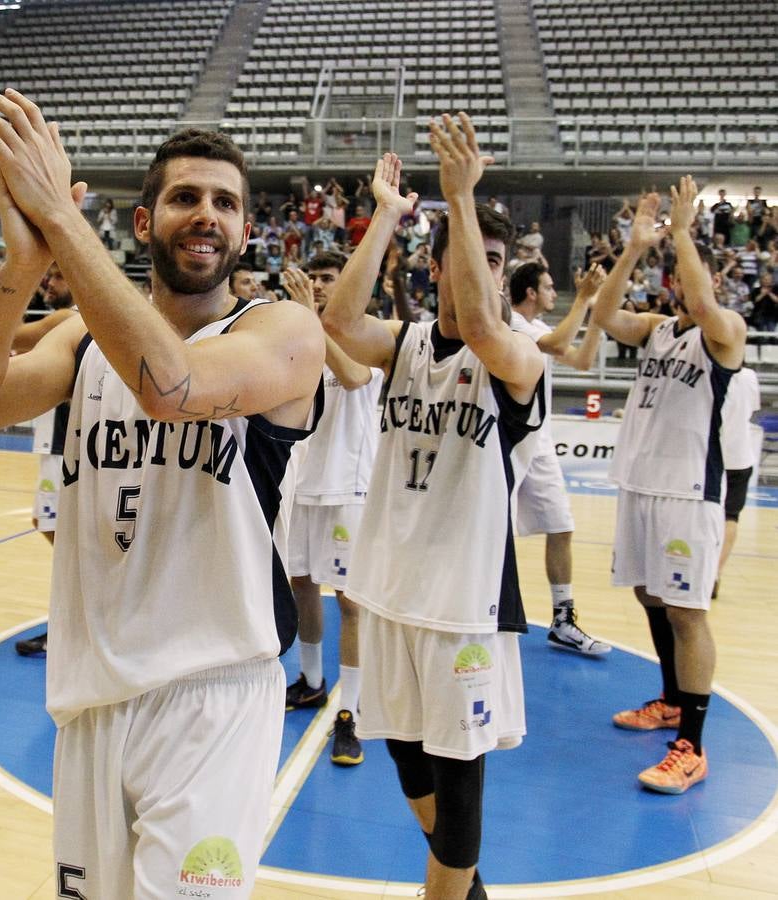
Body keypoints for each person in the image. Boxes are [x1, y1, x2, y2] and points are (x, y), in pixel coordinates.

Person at [0, 89, 323, 898]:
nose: (206, 215)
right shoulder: (82, 338)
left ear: (245, 230)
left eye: (225, 202)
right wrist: (22, 266)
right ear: (144, 223)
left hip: (213, 691)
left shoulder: (282, 332)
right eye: (185, 197)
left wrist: (59, 218)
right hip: (93, 693)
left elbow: (171, 387)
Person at [323, 130, 545, 900]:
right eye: (462, 256)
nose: (475, 272)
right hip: (388, 590)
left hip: (462, 607)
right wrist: (384, 215)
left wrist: (458, 197)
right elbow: (337, 321)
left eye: (489, 261)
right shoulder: (406, 343)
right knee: (406, 759)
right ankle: (468, 887)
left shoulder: (516, 357)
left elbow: (483, 328)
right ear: (434, 265)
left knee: (458, 783)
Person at [591, 178, 747, 795]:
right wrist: (633, 249)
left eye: (691, 274)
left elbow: (708, 308)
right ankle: (672, 700)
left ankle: (694, 747)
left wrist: (682, 232)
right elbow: (603, 316)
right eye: (680, 274)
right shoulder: (658, 328)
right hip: (642, 485)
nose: (683, 283)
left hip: (688, 491)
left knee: (687, 610)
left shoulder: (724, 330)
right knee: (650, 598)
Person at [279, 252, 381, 768]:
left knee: (351, 602)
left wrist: (312, 319)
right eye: (313, 278)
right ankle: (313, 680)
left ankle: (352, 714)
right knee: (301, 585)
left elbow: (357, 377)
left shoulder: (369, 335)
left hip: (349, 488)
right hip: (303, 481)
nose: (317, 285)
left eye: (327, 278)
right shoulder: (299, 334)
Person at [508, 261, 611, 655]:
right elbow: (553, 345)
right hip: (509, 440)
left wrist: (596, 315)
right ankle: (487, 604)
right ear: (531, 292)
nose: (554, 293)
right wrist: (583, 298)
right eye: (549, 287)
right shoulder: (514, 323)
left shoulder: (539, 330)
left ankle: (562, 619)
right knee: (493, 531)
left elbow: (583, 360)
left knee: (562, 526)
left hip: (540, 441)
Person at [10, 261, 81, 658]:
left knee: (65, 538)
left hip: (61, 444)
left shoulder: (65, 318)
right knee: (55, 529)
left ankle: (70, 623)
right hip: (67, 443)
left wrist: (9, 286)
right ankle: (74, 618)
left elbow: (11, 334)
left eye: (56, 275)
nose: (49, 283)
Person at [715, 365, 760, 596]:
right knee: (731, 517)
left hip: (712, 456)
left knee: (706, 516)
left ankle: (699, 571)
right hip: (740, 457)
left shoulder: (710, 371)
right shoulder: (749, 377)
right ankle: (716, 572)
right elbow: (752, 408)